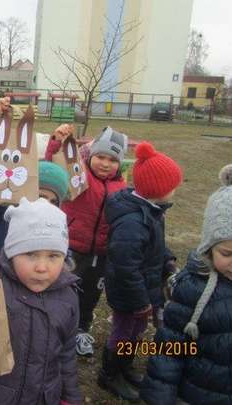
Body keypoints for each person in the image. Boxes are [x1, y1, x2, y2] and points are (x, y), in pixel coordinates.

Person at [0, 197, 82, 405]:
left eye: (53, 256)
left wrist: (69, 397)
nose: (42, 267)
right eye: (31, 254)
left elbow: (66, 355)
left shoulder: (68, 295)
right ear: (12, 253)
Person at [140, 164, 232, 405]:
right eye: (227, 253)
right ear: (208, 248)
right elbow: (169, 352)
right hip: (198, 393)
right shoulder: (193, 289)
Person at [99, 142, 183, 400]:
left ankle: (124, 366)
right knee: (124, 331)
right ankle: (109, 374)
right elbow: (126, 267)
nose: (175, 191)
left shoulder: (151, 211)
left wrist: (167, 260)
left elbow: (155, 246)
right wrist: (140, 302)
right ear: (157, 190)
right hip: (131, 294)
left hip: (143, 290)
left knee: (135, 332)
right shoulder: (133, 222)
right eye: (172, 187)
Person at [58, 126, 129, 357]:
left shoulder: (122, 188)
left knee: (90, 296)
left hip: (101, 253)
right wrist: (56, 142)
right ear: (91, 155)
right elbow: (55, 159)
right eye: (100, 157)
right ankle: (58, 329)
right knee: (65, 290)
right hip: (72, 248)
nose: (105, 164)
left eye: (112, 159)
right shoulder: (80, 175)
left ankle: (81, 330)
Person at [0, 159, 70, 254]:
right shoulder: (2, 214)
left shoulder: (57, 231)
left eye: (53, 202)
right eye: (40, 197)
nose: (45, 204)